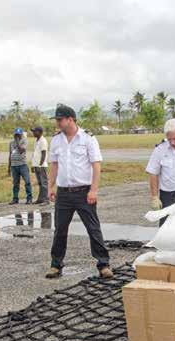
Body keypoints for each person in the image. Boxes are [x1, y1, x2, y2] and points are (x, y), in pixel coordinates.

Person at [45, 104, 111, 279]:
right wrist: (50, 187)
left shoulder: (88, 138)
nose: (57, 123)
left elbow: (96, 165)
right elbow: (54, 165)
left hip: (84, 192)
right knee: (60, 229)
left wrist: (93, 190)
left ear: (70, 119)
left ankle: (103, 264)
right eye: (56, 120)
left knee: (93, 228)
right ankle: (56, 265)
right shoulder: (56, 140)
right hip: (64, 193)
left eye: (60, 120)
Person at [8, 128, 31, 204]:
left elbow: (21, 151)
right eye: (16, 134)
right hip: (14, 166)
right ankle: (15, 198)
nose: (17, 136)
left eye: (18, 134)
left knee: (27, 182)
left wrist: (17, 141)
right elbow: (10, 155)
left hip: (22, 165)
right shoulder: (11, 143)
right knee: (15, 183)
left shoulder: (24, 141)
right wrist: (9, 167)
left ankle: (29, 198)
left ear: (21, 134)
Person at [30, 126, 49, 204]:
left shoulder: (43, 141)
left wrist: (40, 165)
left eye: (35, 131)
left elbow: (43, 154)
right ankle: (40, 199)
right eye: (33, 131)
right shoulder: (36, 140)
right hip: (36, 165)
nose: (33, 133)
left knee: (44, 183)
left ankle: (46, 199)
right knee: (40, 183)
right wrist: (33, 165)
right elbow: (35, 154)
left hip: (41, 166)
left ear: (40, 132)